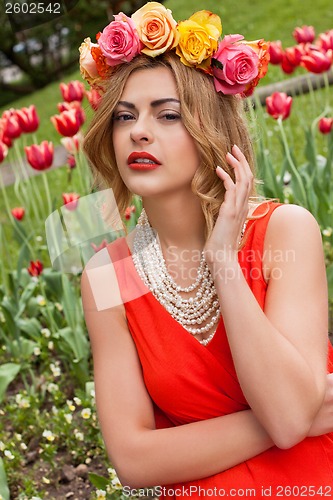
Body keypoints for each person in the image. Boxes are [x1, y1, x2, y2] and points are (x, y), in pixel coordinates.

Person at [80, 2, 333, 497]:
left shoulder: (284, 233)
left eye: (167, 114)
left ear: (210, 129)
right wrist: (297, 415)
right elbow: (133, 459)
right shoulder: (110, 276)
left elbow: (287, 419)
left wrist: (223, 261)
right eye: (124, 115)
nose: (138, 131)